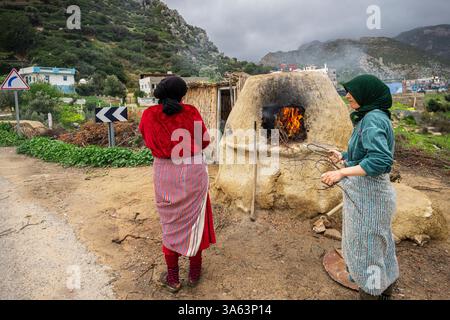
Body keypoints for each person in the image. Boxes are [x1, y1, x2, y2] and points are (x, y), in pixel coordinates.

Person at [321, 74, 399, 300]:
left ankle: (372, 292)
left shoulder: (373, 119)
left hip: (370, 197)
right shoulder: (371, 116)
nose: (347, 95)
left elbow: (380, 161)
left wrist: (340, 172)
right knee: (378, 247)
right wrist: (344, 157)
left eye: (352, 91)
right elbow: (365, 155)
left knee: (367, 252)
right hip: (367, 196)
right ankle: (384, 291)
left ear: (366, 93)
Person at [139, 76, 216, 293]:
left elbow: (146, 138)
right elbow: (204, 141)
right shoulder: (190, 112)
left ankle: (173, 277)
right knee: (195, 221)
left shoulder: (148, 114)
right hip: (192, 171)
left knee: (170, 223)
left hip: (165, 173)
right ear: (183, 95)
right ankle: (194, 272)